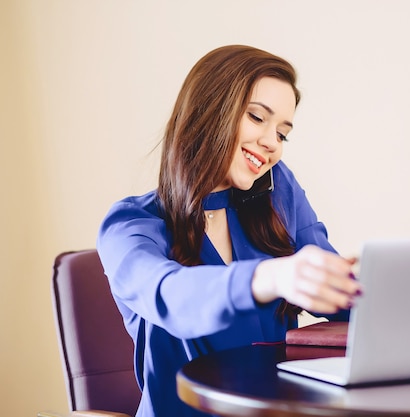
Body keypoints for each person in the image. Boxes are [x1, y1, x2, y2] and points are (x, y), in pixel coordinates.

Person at [97, 44, 362, 417]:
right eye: (257, 118)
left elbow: (341, 293)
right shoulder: (129, 226)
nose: (272, 144)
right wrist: (269, 277)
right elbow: (169, 295)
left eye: (283, 134)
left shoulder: (278, 190)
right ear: (209, 112)